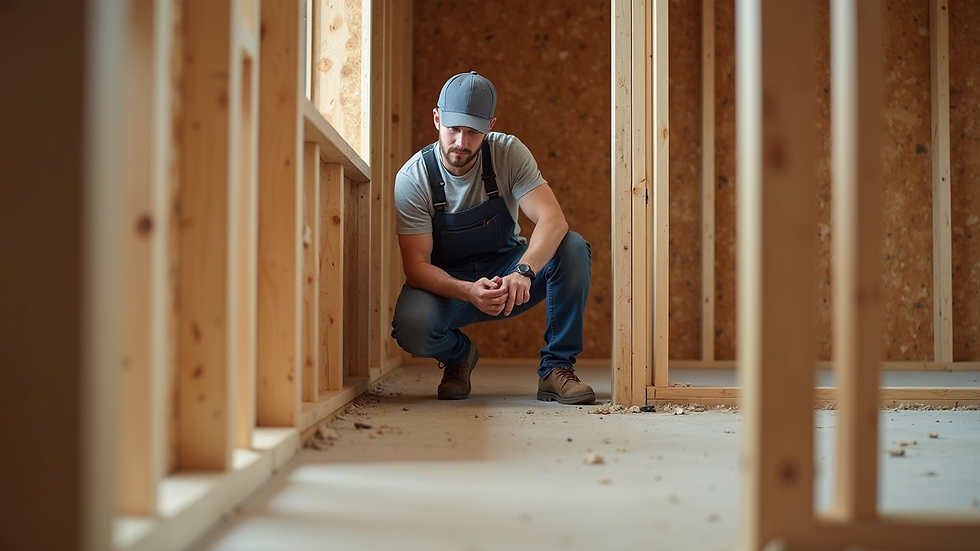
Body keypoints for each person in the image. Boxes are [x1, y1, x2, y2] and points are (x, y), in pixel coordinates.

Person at [390, 71, 594, 405]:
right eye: (453, 129)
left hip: (509, 274)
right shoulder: (413, 178)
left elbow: (553, 220)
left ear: (491, 126)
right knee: (412, 326)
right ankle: (459, 356)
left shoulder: (508, 153)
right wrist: (467, 291)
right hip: (450, 287)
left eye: (472, 132)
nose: (461, 142)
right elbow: (416, 266)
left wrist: (523, 271)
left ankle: (556, 369)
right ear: (437, 118)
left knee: (572, 246)